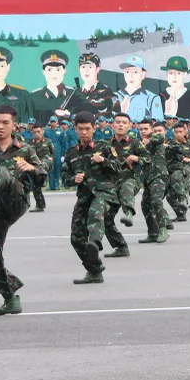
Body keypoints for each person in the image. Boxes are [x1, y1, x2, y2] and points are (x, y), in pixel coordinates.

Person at [0, 104, 45, 316]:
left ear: (14, 125)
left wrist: (31, 168)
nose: (0, 127)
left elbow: (42, 176)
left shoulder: (24, 149)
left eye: (5, 123)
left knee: (5, 177)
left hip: (16, 199)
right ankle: (10, 298)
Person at [61, 111, 121, 284]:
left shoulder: (104, 147)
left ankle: (95, 242)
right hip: (84, 197)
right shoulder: (72, 153)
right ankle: (94, 271)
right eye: (80, 129)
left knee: (96, 212)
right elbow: (65, 178)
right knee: (76, 238)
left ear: (94, 128)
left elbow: (118, 168)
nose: (84, 132)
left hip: (105, 193)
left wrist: (104, 161)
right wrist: (73, 179)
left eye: (87, 128)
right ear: (75, 129)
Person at [103, 112, 148, 258]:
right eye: (118, 122)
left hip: (130, 179)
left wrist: (136, 158)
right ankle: (121, 246)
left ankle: (128, 213)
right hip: (111, 184)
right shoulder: (105, 144)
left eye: (124, 123)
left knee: (126, 188)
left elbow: (149, 158)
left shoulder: (135, 143)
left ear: (129, 126)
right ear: (112, 125)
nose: (120, 125)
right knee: (105, 217)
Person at [138, 120, 171, 244]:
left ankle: (164, 229)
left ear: (151, 130)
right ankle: (153, 233)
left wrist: (150, 139)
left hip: (159, 175)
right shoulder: (140, 143)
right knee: (145, 204)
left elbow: (159, 138)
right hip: (148, 178)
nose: (143, 131)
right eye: (141, 129)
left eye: (146, 129)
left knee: (156, 201)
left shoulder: (155, 139)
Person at [31, 49, 76, 125]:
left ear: (64, 71)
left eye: (58, 69)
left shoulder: (74, 93)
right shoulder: (34, 96)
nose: (54, 74)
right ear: (44, 72)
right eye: (50, 70)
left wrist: (69, 115)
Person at [116, 55, 164, 122]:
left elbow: (158, 124)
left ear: (143, 74)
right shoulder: (115, 96)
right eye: (127, 72)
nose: (131, 76)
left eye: (135, 72)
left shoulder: (152, 98)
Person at [165, 122, 190, 222]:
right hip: (169, 171)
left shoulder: (189, 144)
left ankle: (183, 201)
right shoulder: (169, 142)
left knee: (178, 183)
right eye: (176, 132)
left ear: (184, 132)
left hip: (184, 171)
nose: (178, 134)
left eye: (180, 132)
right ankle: (181, 215)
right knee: (170, 197)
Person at [28, 122, 55, 212]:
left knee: (42, 165)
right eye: (35, 132)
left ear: (42, 131)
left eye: (38, 132)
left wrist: (50, 160)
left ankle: (43, 177)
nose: (37, 134)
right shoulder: (30, 143)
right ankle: (40, 205)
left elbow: (52, 153)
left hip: (45, 163)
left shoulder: (48, 142)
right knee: (35, 185)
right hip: (35, 165)